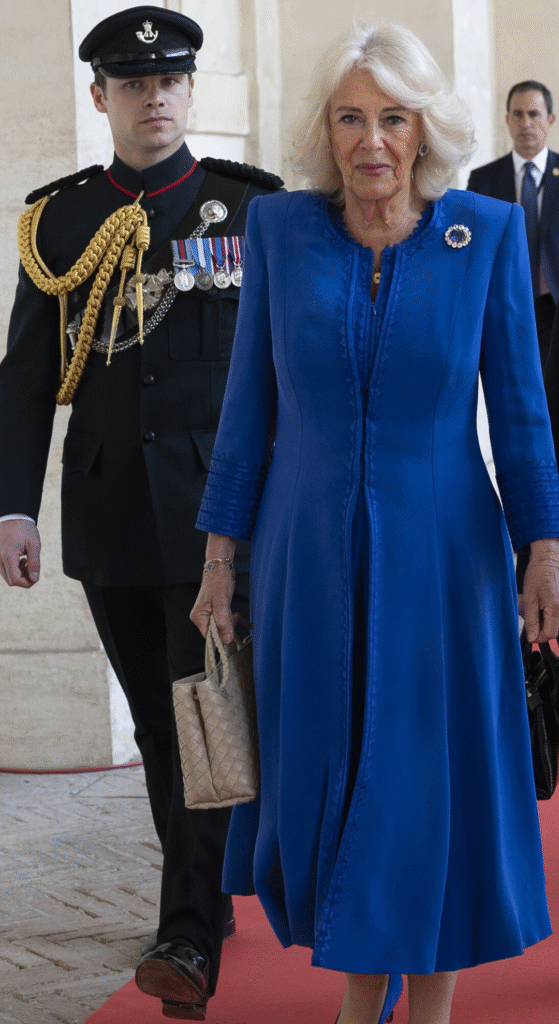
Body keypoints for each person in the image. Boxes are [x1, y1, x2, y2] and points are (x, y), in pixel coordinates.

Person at [190, 21, 559, 1024]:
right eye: (351, 117)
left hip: (446, 559)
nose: (372, 141)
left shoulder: (480, 233)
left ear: (424, 127)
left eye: (392, 117)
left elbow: (520, 413)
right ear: (326, 129)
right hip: (303, 554)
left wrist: (544, 549)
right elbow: (245, 411)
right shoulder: (278, 230)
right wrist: (220, 555)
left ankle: (408, 1008)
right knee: (332, 770)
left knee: (420, 778)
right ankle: (368, 986)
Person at [0, 6, 282, 1020]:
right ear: (100, 97)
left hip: (220, 518)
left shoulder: (251, 211)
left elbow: (282, 371)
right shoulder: (60, 220)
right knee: (165, 732)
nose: (151, 96)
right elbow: (26, 377)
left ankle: (189, 935)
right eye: (130, 83)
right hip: (110, 506)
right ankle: (202, 895)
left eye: (168, 81)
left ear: (190, 91)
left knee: (203, 713)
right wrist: (11, 511)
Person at [467, 80, 559, 370]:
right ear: (507, 120)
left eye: (534, 114)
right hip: (505, 309)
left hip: (553, 308)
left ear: (550, 119)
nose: (526, 123)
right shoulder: (483, 180)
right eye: (517, 114)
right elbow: (475, 249)